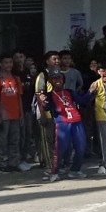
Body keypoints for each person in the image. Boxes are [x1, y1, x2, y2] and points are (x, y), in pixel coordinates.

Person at [44, 68, 97, 181]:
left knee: (81, 146)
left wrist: (90, 91)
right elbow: (47, 107)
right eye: (54, 78)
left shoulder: (70, 91)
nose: (57, 80)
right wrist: (43, 102)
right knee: (60, 149)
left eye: (59, 78)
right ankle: (54, 172)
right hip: (62, 123)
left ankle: (75, 170)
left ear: (63, 80)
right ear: (50, 81)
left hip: (76, 121)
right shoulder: (49, 95)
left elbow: (82, 101)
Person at [0, 53, 31, 173]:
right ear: (1, 64)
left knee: (15, 139)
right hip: (4, 115)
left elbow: (19, 97)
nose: (8, 65)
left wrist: (21, 114)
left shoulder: (16, 79)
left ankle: (13, 162)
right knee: (3, 139)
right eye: (5, 62)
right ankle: (2, 163)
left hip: (16, 114)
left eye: (10, 62)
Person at [35, 50, 61, 178]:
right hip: (46, 112)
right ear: (47, 61)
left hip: (57, 112)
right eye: (54, 59)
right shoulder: (42, 75)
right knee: (47, 141)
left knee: (56, 141)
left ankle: (57, 166)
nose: (57, 61)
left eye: (57, 59)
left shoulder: (59, 74)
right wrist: (43, 114)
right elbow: (39, 95)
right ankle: (50, 167)